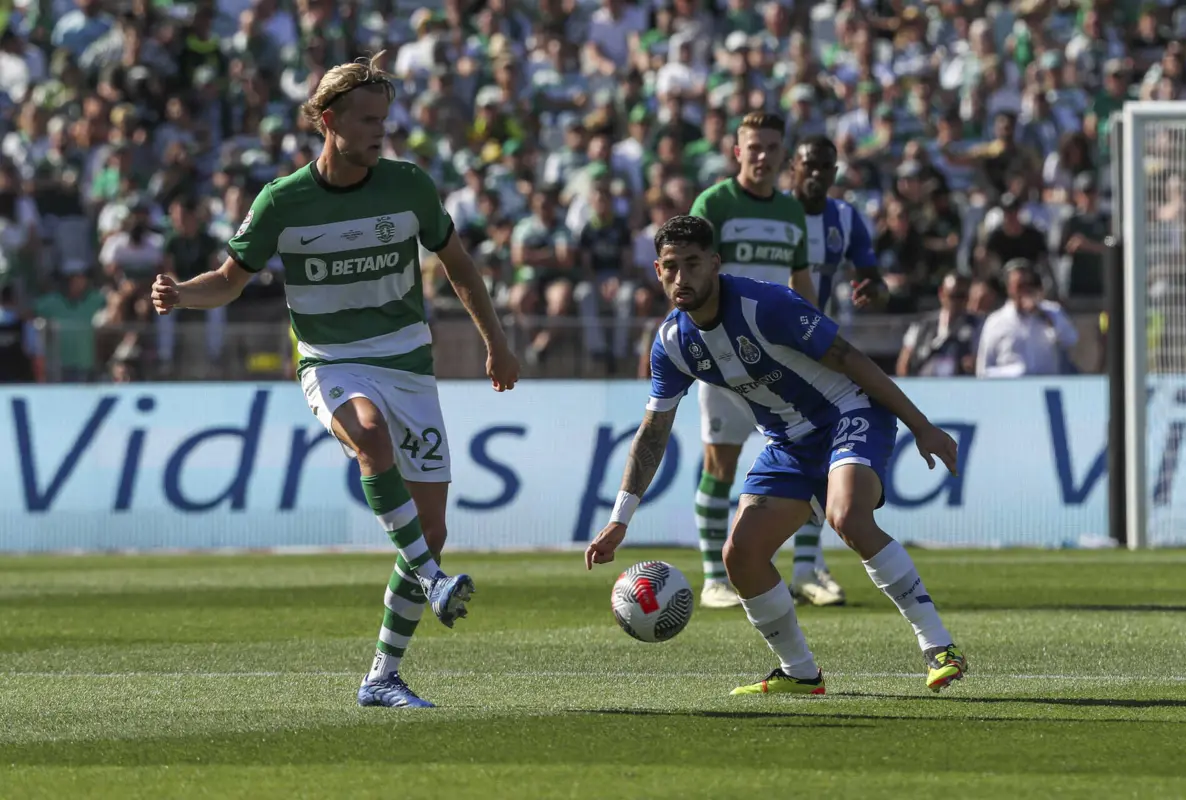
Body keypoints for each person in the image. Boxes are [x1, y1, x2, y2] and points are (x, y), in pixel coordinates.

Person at [151, 52, 521, 709]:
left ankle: (382, 675)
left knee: (429, 529)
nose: (382, 131)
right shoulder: (282, 202)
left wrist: (497, 344)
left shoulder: (410, 187)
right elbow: (229, 281)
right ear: (329, 121)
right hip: (331, 360)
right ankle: (433, 581)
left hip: (408, 362)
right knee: (371, 441)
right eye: (368, 119)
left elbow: (460, 267)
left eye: (386, 119)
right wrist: (181, 294)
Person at [585, 215, 967, 696]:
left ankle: (939, 646)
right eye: (669, 267)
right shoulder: (672, 343)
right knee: (740, 555)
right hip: (788, 442)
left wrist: (922, 426)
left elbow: (850, 358)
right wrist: (622, 517)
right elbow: (653, 431)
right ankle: (800, 672)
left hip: (849, 413)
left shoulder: (765, 305)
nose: (680, 277)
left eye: (692, 264)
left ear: (715, 264)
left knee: (846, 515)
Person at [686, 111, 814, 610]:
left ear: (784, 154)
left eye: (771, 147)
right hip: (722, 357)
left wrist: (814, 334)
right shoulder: (714, 203)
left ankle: (807, 571)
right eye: (753, 147)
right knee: (720, 463)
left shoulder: (791, 212)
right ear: (737, 152)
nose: (762, 156)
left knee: (809, 459)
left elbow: (800, 282)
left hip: (782, 364)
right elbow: (687, 272)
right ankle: (714, 578)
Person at [785, 134, 886, 606]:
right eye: (810, 164)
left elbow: (871, 272)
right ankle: (721, 571)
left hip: (813, 349)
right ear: (794, 167)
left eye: (827, 167)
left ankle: (806, 565)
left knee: (813, 448)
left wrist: (875, 288)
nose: (818, 174)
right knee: (722, 459)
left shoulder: (844, 218)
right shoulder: (773, 214)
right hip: (758, 345)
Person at [976, 259, 1078, 378]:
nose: (1025, 290)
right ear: (1009, 288)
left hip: (1045, 385)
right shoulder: (996, 321)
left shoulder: (1052, 311)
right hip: (1010, 389)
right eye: (1020, 286)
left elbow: (1071, 339)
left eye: (1029, 285)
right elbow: (984, 368)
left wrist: (1044, 316)